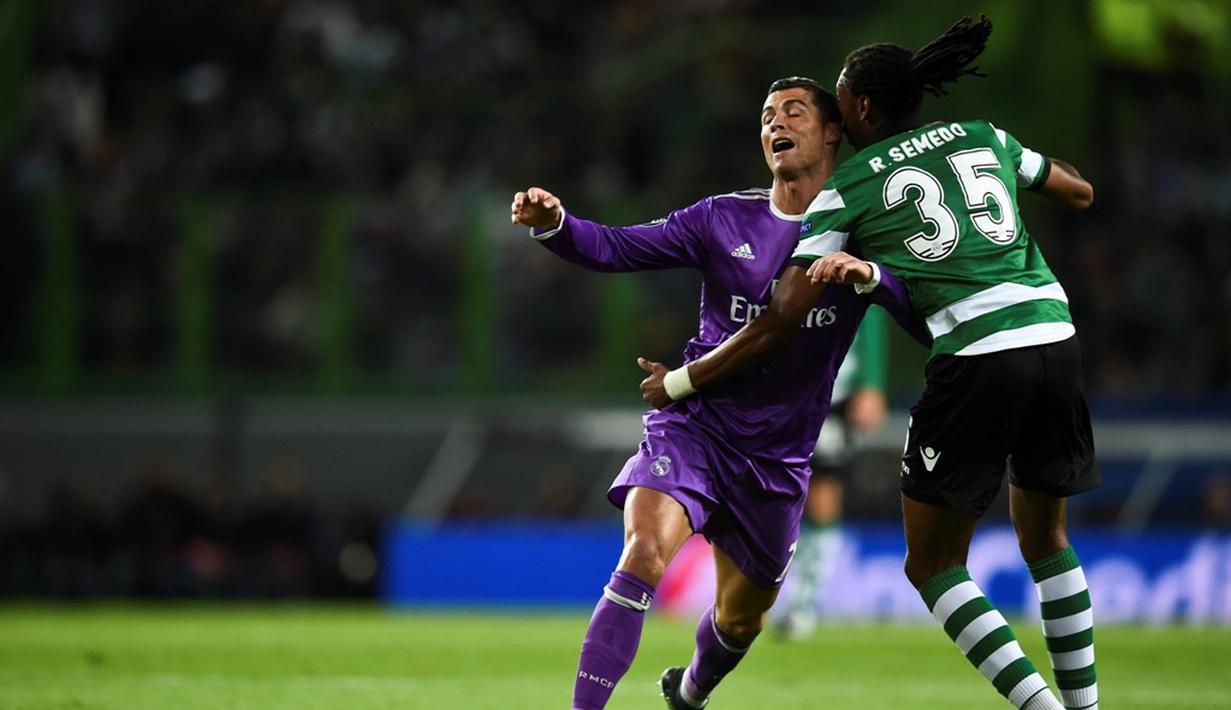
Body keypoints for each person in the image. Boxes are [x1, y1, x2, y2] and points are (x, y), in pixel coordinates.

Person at [639, 17, 1099, 710]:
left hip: (975, 353)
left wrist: (678, 381)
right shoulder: (985, 136)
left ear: (856, 109)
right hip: (1054, 334)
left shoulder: (847, 187)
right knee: (1046, 538)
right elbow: (1077, 191)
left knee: (934, 565)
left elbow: (780, 318)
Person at [511, 77, 929, 710]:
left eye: (793, 112)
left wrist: (874, 278)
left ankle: (691, 690)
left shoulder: (866, 234)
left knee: (741, 622)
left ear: (833, 132)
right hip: (696, 427)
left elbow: (920, 312)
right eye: (766, 116)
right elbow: (618, 248)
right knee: (644, 553)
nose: (775, 124)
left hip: (779, 460)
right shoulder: (722, 217)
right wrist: (557, 226)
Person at [775, 307, 889, 639]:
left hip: (830, 395)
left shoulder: (847, 256)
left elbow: (872, 307)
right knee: (769, 494)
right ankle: (754, 598)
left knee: (822, 493)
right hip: (776, 392)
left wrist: (871, 382)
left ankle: (805, 604)